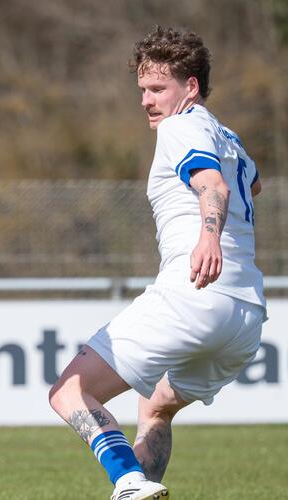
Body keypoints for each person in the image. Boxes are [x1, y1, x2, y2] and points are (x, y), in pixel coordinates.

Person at [48, 26, 266, 500]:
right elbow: (251, 186)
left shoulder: (181, 125)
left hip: (194, 293)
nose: (147, 101)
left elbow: (216, 186)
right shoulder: (228, 136)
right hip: (247, 314)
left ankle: (127, 481)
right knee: (156, 404)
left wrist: (208, 238)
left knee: (68, 392)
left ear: (190, 87)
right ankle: (144, 491)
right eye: (142, 90)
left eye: (157, 89)